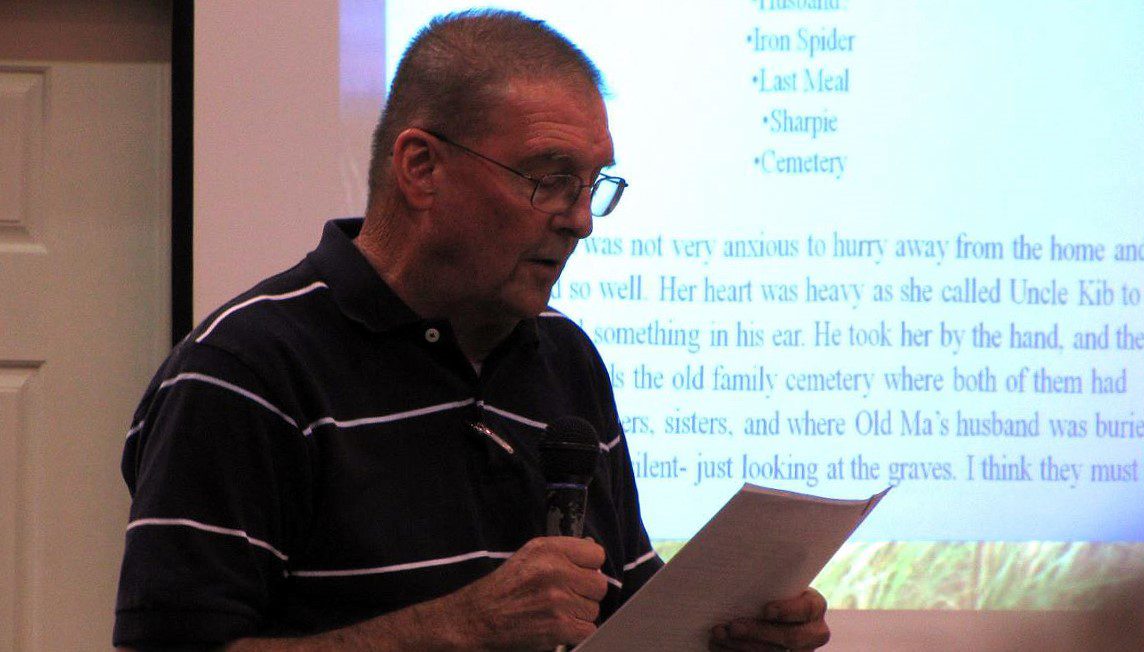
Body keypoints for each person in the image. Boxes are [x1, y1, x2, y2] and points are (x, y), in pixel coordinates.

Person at [114, 10, 830, 651]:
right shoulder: (245, 370)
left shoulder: (563, 357)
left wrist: (726, 636)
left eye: (592, 185)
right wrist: (461, 628)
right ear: (421, 167)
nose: (578, 219)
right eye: (548, 179)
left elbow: (619, 616)